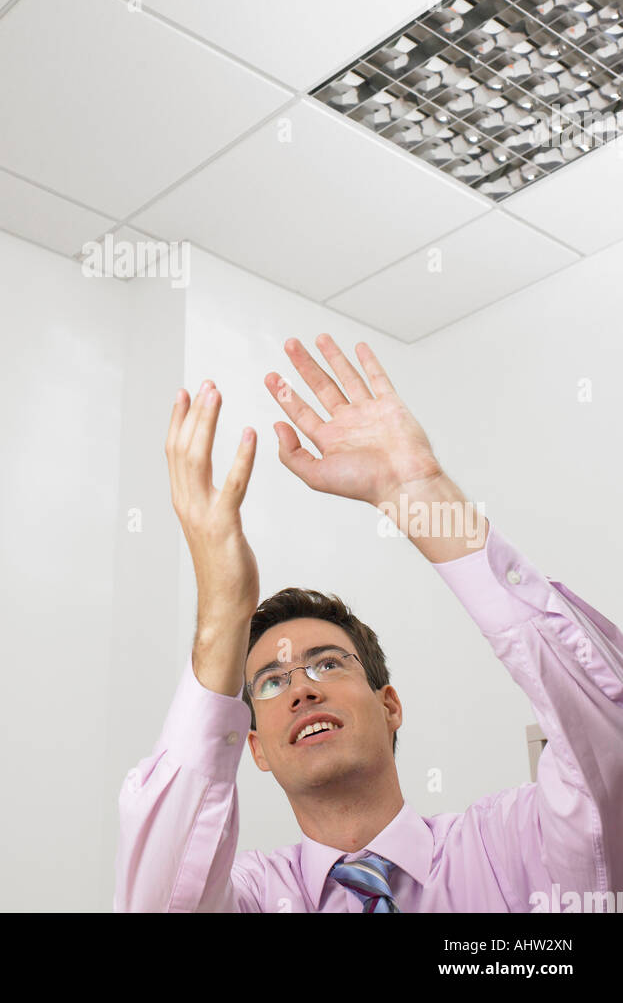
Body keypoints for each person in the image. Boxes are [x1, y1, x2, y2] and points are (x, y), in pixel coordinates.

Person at [114, 333, 623, 912]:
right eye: (273, 683)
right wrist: (221, 618)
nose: (303, 689)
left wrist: (421, 495)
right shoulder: (252, 898)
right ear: (254, 747)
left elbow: (608, 745)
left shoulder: (512, 848)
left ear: (389, 706)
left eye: (328, 664)